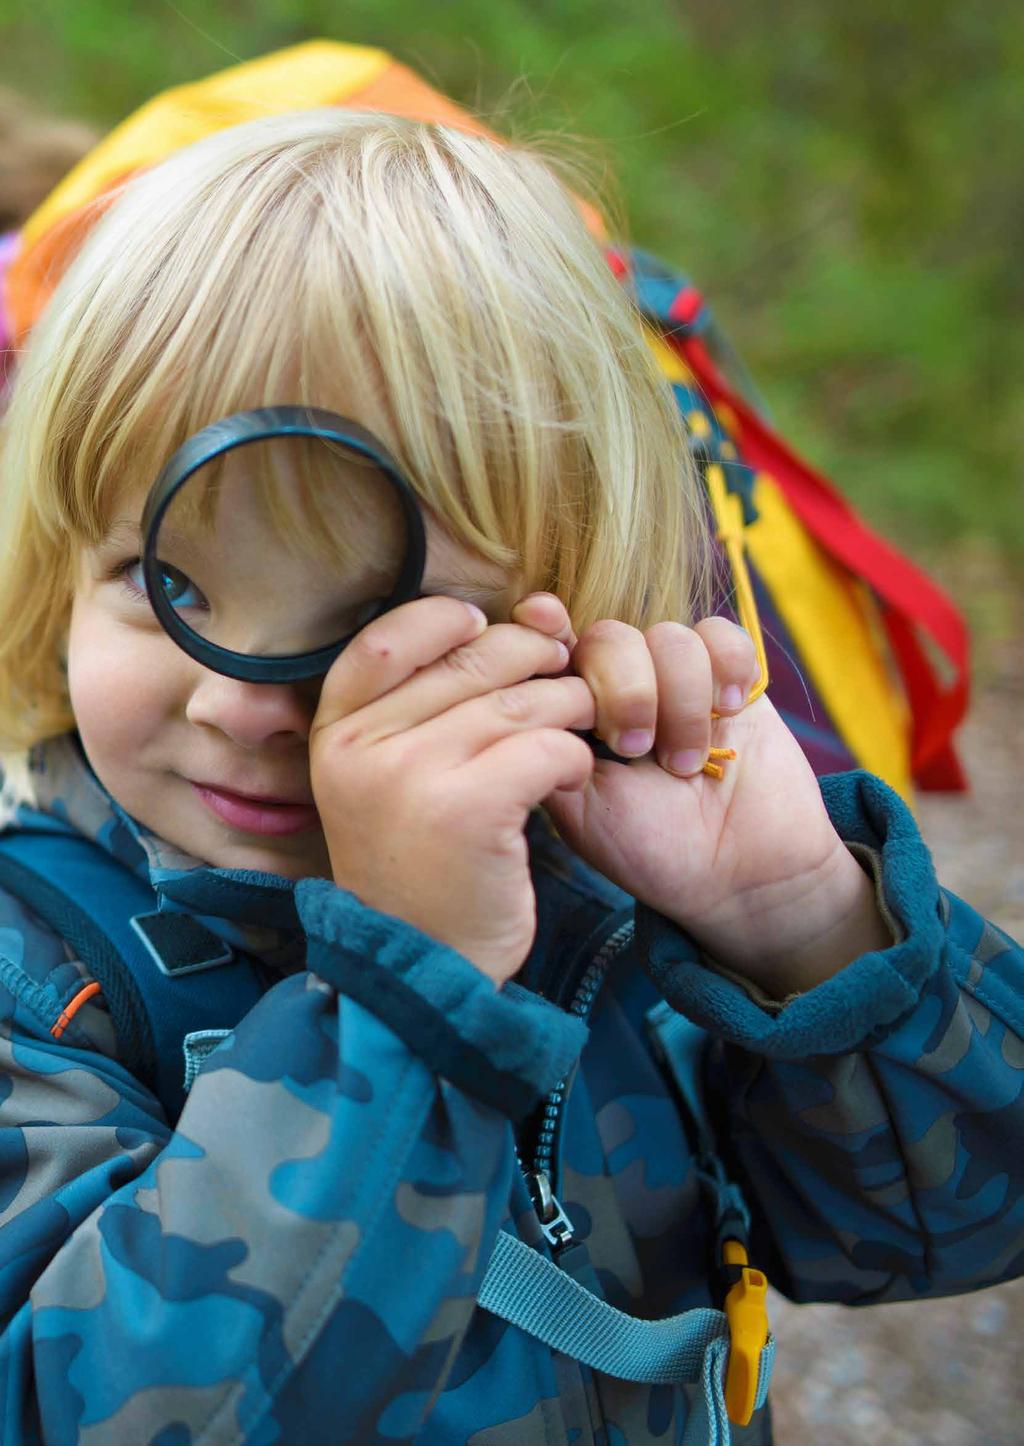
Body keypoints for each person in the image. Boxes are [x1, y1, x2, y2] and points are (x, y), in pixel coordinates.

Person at [0, 108, 1019, 1446]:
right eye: (166, 581)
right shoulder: (38, 978)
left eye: (362, 617)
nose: (244, 697)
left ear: (561, 615)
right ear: (55, 567)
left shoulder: (608, 905)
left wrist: (798, 914)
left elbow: (960, 1219)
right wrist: (406, 995)